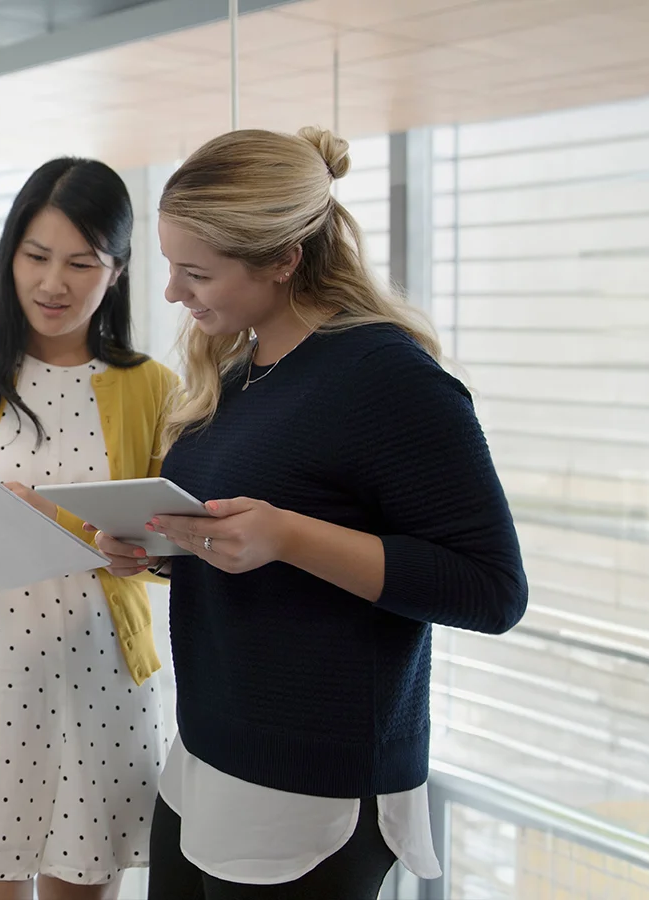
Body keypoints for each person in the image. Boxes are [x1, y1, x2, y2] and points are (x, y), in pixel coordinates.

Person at [89, 127, 528, 899]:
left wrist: (289, 536)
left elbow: (491, 590)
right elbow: (249, 534)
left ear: (285, 260)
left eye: (196, 272)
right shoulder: (241, 366)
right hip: (208, 749)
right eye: (171, 267)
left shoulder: (389, 379)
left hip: (310, 781)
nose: (173, 294)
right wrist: (160, 546)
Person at [0, 157, 177, 900]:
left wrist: (59, 517)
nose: (54, 284)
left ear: (115, 271)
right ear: (8, 256)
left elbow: (168, 543)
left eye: (82, 263)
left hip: (102, 683)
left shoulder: (151, 387)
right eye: (36, 257)